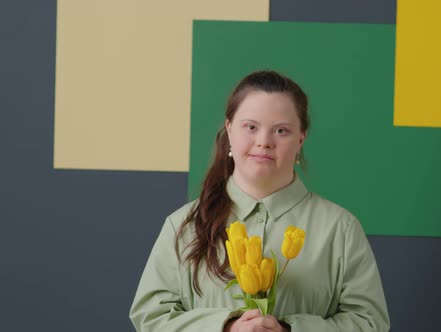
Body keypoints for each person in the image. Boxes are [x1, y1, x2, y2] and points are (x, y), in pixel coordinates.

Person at [129, 70, 390, 332]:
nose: (264, 142)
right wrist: (226, 327)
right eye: (251, 127)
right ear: (230, 130)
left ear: (301, 139)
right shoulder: (183, 225)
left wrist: (291, 330)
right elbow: (151, 317)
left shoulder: (340, 229)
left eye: (281, 130)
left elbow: (371, 322)